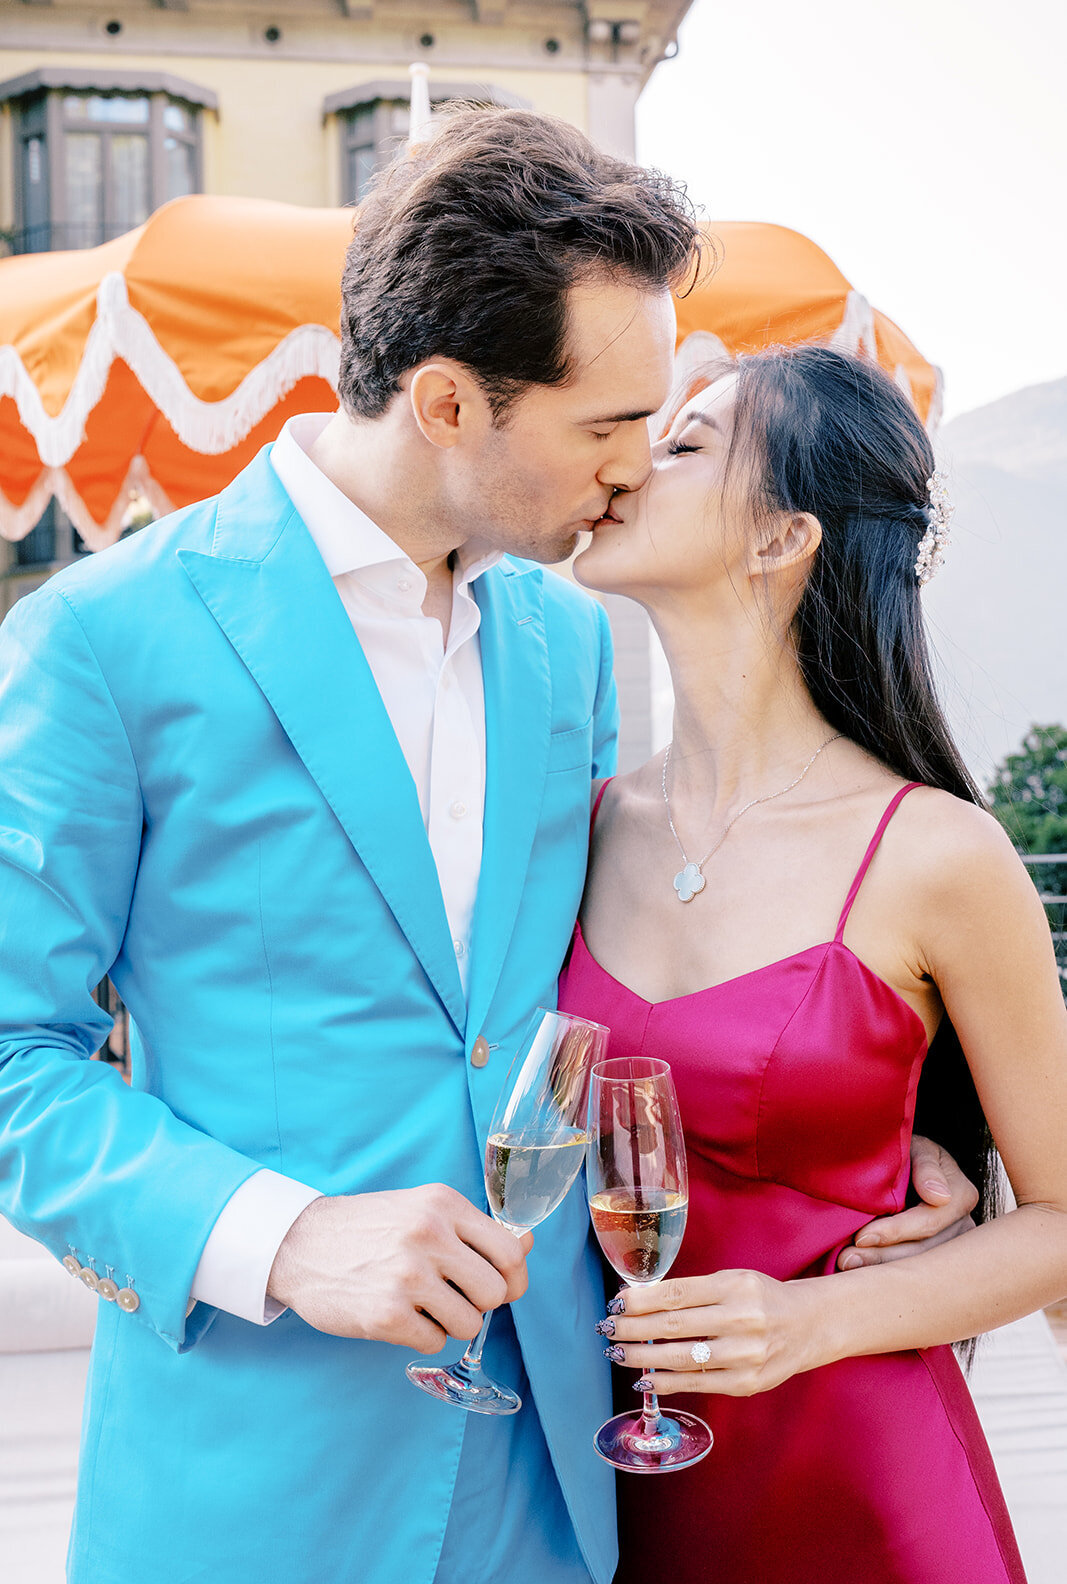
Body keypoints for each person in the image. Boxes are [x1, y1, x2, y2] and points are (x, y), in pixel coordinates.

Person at [0, 113, 972, 1584]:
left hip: (558, 1481)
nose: (635, 469)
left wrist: (860, 1153)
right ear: (448, 403)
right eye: (602, 428)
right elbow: (17, 1052)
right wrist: (284, 1235)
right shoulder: (100, 640)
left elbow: (612, 977)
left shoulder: (570, 646)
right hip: (256, 1483)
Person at [560, 345, 1067, 1583]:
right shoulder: (574, 825)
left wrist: (805, 1320)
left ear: (781, 539)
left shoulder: (936, 852)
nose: (628, 463)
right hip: (611, 1497)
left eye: (683, 444)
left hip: (866, 1497)